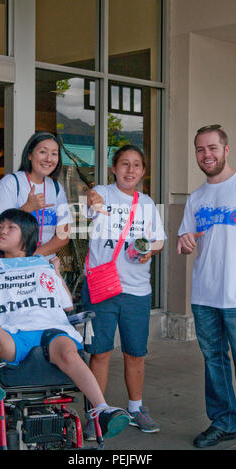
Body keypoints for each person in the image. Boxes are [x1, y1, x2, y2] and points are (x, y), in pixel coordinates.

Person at [0, 208, 130, 439]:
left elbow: (66, 307)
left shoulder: (43, 266)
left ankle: (102, 410)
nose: (1, 231)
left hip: (49, 330)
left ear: (27, 235)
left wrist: (57, 273)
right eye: (0, 227)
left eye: (10, 227)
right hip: (11, 335)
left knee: (68, 351)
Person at [177, 124, 236, 450]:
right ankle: (224, 423)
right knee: (214, 362)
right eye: (200, 149)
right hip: (204, 295)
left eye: (212, 148)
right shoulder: (196, 197)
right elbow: (187, 243)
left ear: (226, 150)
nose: (206, 154)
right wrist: (184, 242)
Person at [82, 144, 166, 439]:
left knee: (135, 353)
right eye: (124, 164)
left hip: (136, 290)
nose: (131, 170)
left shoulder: (147, 204)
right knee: (100, 353)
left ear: (143, 172)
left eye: (137, 165)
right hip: (102, 287)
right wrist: (91, 199)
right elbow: (91, 203)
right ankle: (97, 412)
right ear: (114, 169)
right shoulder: (102, 194)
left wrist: (149, 252)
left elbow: (159, 241)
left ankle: (135, 407)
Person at [0, 132, 73, 258]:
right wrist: (27, 208)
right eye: (43, 152)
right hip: (12, 264)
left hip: (43, 265)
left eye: (54, 154)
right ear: (29, 155)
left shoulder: (56, 188)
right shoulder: (11, 182)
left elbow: (63, 235)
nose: (49, 159)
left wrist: (32, 257)